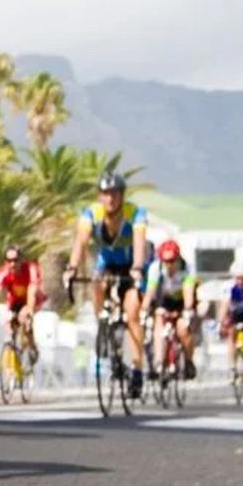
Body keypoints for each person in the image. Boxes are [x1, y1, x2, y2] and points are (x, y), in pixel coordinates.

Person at [66, 169, 149, 396]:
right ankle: (103, 322)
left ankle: (137, 368)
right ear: (100, 196)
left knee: (132, 312)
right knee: (98, 282)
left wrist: (138, 268)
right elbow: (80, 242)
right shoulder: (91, 213)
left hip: (131, 265)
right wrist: (72, 268)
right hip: (108, 264)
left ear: (122, 195)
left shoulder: (135, 213)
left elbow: (140, 244)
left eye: (114, 194)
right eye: (105, 193)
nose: (110, 199)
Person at [142, 239, 199, 376]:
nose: (169, 264)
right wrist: (143, 310)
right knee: (159, 320)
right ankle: (158, 362)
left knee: (183, 329)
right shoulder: (155, 268)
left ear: (178, 258)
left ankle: (189, 361)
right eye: (166, 261)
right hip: (164, 300)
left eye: (173, 260)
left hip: (181, 301)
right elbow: (150, 291)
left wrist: (187, 310)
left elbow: (188, 291)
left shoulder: (187, 268)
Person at [0, 243, 40, 358]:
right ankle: (12, 354)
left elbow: (32, 290)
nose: (12, 264)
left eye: (15, 260)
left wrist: (28, 310)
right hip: (14, 301)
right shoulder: (3, 273)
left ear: (21, 260)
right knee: (11, 325)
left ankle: (32, 348)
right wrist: (5, 311)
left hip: (32, 299)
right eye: (9, 261)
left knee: (26, 321)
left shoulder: (31, 269)